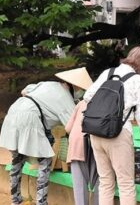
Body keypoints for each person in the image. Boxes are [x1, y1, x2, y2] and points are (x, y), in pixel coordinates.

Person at [0, 69, 88, 205]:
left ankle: (15, 199)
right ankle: (41, 202)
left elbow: (24, 90)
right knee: (45, 160)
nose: (81, 92)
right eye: (81, 88)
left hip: (15, 110)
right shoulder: (65, 98)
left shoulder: (47, 84)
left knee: (17, 159)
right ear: (75, 86)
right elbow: (72, 127)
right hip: (31, 117)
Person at [83, 45, 140, 205]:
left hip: (96, 132)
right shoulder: (139, 81)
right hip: (119, 134)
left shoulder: (107, 73)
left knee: (105, 181)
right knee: (125, 183)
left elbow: (87, 96)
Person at [55, 67, 99, 205]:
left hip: (76, 148)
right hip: (95, 147)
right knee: (99, 183)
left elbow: (68, 128)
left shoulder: (80, 104)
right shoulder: (101, 102)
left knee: (79, 188)